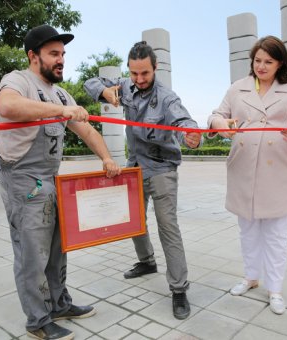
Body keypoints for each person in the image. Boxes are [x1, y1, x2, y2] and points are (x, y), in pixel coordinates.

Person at [0, 24, 121, 340]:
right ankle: (38, 320)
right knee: (31, 254)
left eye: (63, 53)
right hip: (24, 181)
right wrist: (61, 110)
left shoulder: (60, 92)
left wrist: (106, 158)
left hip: (52, 180)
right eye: (54, 53)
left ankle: (59, 303)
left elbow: (87, 129)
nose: (61, 59)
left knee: (57, 249)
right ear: (33, 56)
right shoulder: (16, 81)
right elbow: (7, 106)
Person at [84, 41, 202, 320]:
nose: (139, 79)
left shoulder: (167, 97)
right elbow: (91, 82)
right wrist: (103, 91)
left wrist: (191, 136)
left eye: (144, 74)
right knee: (134, 220)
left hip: (161, 169)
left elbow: (184, 121)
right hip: (134, 165)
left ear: (155, 68)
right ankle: (147, 262)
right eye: (134, 73)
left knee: (167, 227)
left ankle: (179, 289)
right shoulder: (125, 86)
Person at [207, 36, 287, 315]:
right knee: (248, 231)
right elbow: (217, 115)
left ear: (280, 64)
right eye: (257, 61)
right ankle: (251, 277)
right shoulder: (238, 88)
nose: (262, 66)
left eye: (268, 61)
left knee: (277, 235)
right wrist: (220, 123)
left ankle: (275, 289)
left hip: (277, 168)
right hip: (243, 167)